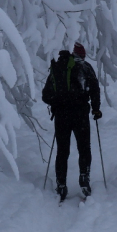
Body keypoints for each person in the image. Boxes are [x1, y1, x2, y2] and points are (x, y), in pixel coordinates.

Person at [42, 42, 102, 201]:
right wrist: (96, 109)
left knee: (62, 150)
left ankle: (61, 184)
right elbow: (95, 89)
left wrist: (57, 102)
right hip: (80, 114)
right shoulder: (86, 67)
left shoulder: (57, 67)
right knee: (84, 147)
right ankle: (84, 178)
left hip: (62, 115)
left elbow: (45, 96)